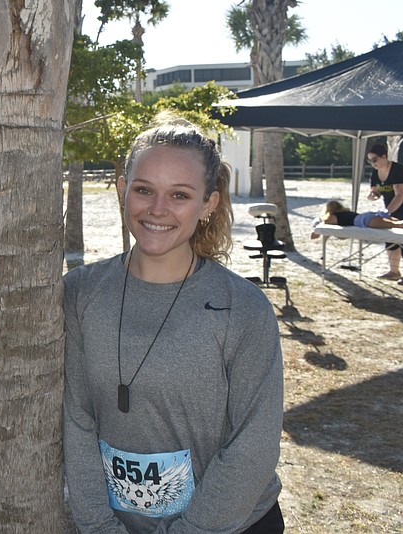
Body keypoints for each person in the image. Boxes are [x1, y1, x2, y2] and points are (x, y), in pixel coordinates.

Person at [63, 117, 284, 533]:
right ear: (121, 188)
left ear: (208, 204)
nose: (157, 209)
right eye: (144, 189)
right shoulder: (79, 293)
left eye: (179, 195)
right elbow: (76, 418)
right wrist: (98, 527)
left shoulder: (242, 309)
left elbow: (251, 446)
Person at [367, 143, 403, 285]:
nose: (373, 164)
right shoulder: (375, 173)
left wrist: (387, 212)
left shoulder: (398, 169)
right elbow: (377, 191)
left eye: (375, 160)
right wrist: (373, 195)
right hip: (392, 210)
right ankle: (394, 271)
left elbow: (402, 194)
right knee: (390, 238)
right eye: (370, 161)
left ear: (384, 157)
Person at [309, 200, 403, 239]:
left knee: (398, 225)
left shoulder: (333, 216)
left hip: (365, 221)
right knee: (397, 223)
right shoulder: (346, 213)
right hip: (368, 216)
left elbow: (324, 225)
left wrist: (316, 230)